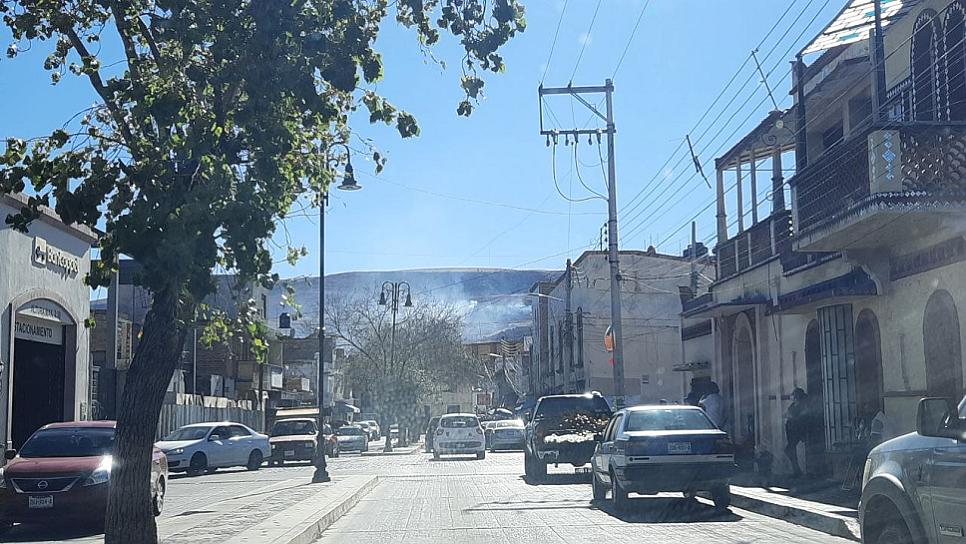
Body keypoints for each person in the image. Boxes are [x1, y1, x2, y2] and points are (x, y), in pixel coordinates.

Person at [784, 388, 808, 478]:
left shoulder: (802, 405)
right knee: (790, 450)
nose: (792, 396)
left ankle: (797, 470)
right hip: (790, 429)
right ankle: (796, 470)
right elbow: (787, 414)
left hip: (796, 429)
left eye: (793, 394)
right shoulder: (794, 405)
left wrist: (791, 416)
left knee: (789, 449)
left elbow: (801, 417)